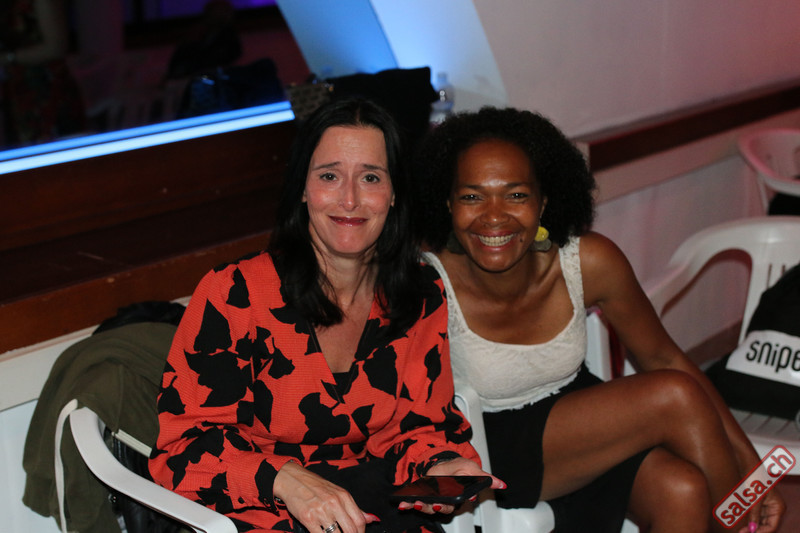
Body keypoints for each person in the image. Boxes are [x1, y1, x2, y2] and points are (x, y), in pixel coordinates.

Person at [413, 106, 786, 533]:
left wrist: (754, 470)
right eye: (471, 196)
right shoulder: (427, 281)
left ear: (543, 202)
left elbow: (664, 357)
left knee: (681, 489)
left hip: (584, 423)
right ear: (447, 203)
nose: (494, 215)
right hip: (491, 443)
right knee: (673, 395)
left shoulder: (587, 260)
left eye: (516, 195)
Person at [149, 97, 502, 533]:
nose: (349, 199)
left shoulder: (419, 292)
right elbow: (182, 451)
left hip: (368, 506)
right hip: (255, 511)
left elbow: (417, 428)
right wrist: (285, 480)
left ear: (394, 194)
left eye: (370, 177)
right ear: (302, 188)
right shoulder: (234, 293)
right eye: (329, 176)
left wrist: (442, 466)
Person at [0, 0, 85, 146]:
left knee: (56, 150)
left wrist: (8, 58)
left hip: (46, 89)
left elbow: (56, 47)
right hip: (17, 91)